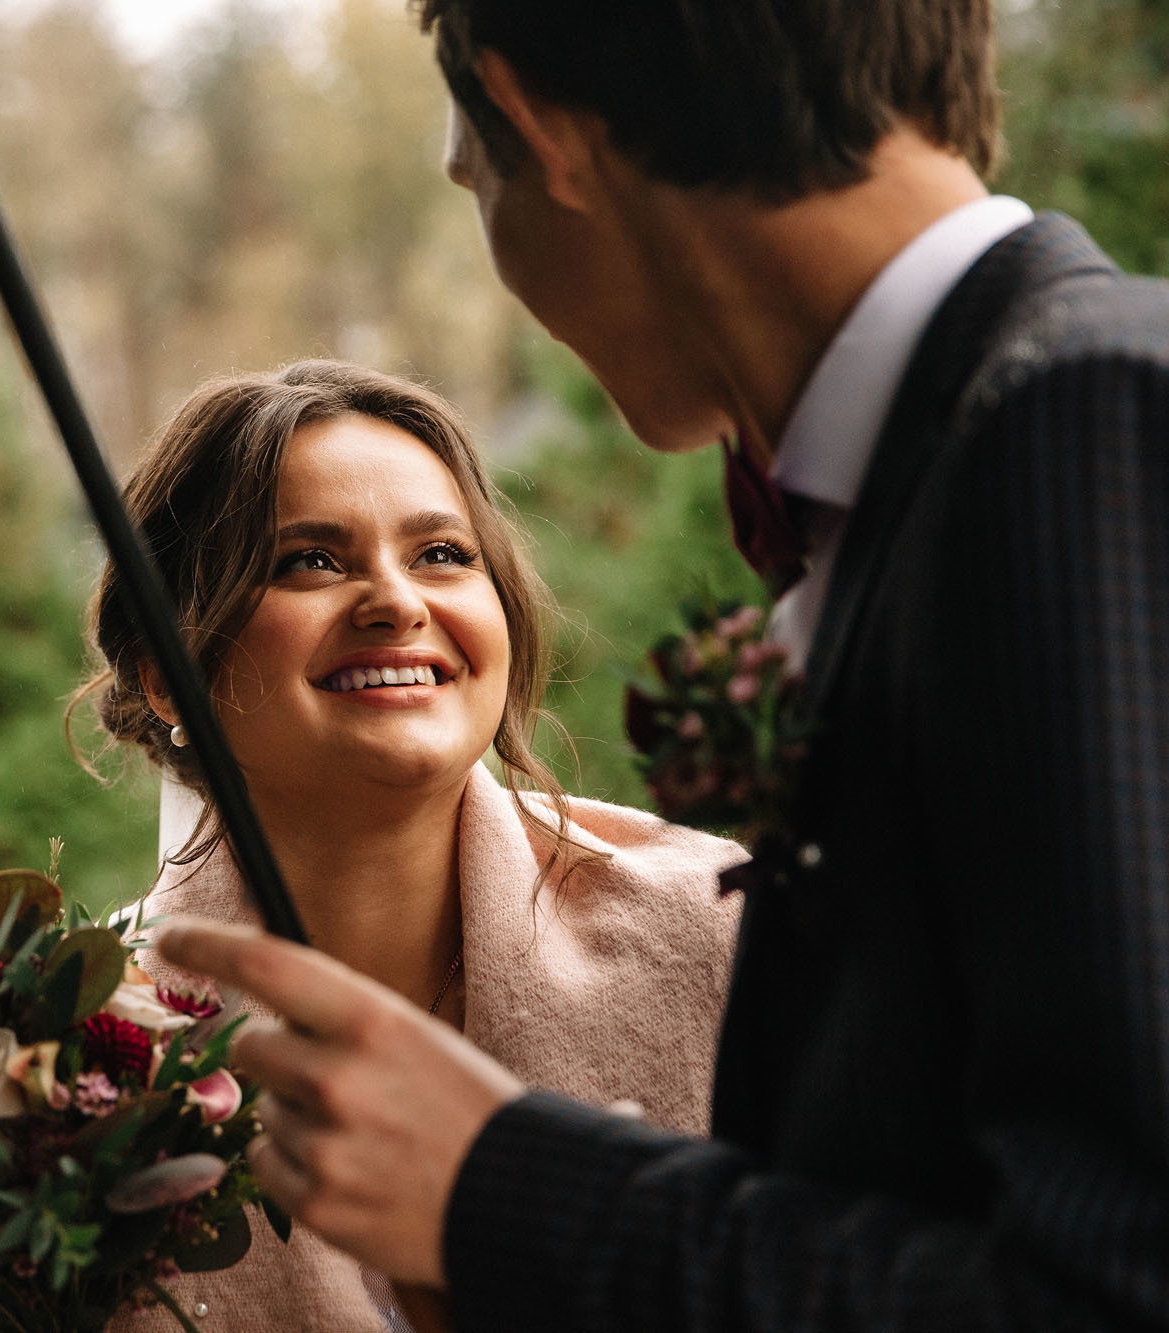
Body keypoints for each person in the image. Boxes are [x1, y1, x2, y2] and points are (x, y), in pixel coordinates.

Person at [156, 1, 1169, 1329]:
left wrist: (502, 1190)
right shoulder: (966, 462)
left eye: (470, 174)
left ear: (538, 127)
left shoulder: (1070, 430)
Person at [78, 360, 745, 1331]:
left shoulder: (720, 942)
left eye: (441, 554)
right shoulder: (62, 1057)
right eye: (308, 560)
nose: (395, 601)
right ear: (168, 674)